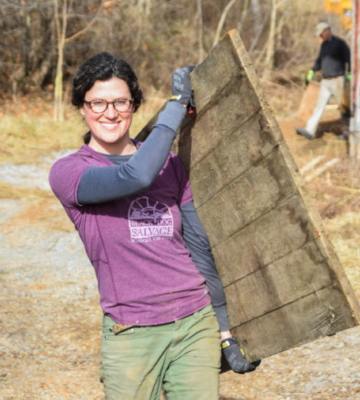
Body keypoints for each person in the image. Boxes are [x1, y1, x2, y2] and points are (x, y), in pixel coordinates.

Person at [48, 52, 259, 400]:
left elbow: (198, 245)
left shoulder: (170, 163)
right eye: (97, 102)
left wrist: (224, 328)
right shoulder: (70, 173)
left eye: (120, 101)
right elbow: (135, 175)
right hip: (131, 332)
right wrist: (177, 106)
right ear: (82, 108)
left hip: (195, 322)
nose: (110, 112)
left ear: (134, 105)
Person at [296, 22, 351, 140]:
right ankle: (309, 131)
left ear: (327, 31)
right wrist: (312, 71)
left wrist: (350, 73)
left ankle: (348, 132)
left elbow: (348, 58)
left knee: (343, 107)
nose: (320, 36)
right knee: (319, 106)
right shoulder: (324, 46)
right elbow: (319, 61)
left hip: (338, 80)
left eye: (321, 34)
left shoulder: (340, 43)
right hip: (326, 81)